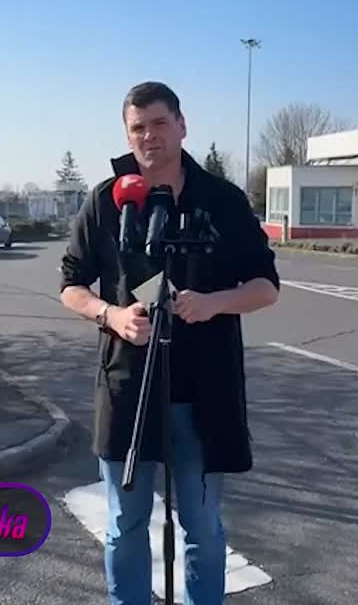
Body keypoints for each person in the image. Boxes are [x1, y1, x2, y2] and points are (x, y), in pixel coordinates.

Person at [60, 82, 280, 605]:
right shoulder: (106, 201)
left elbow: (266, 287)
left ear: (182, 125)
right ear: (127, 135)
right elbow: (71, 285)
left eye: (159, 123)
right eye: (138, 128)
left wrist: (215, 302)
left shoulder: (223, 201)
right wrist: (112, 315)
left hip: (203, 396)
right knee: (125, 525)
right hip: (128, 389)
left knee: (202, 527)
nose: (149, 137)